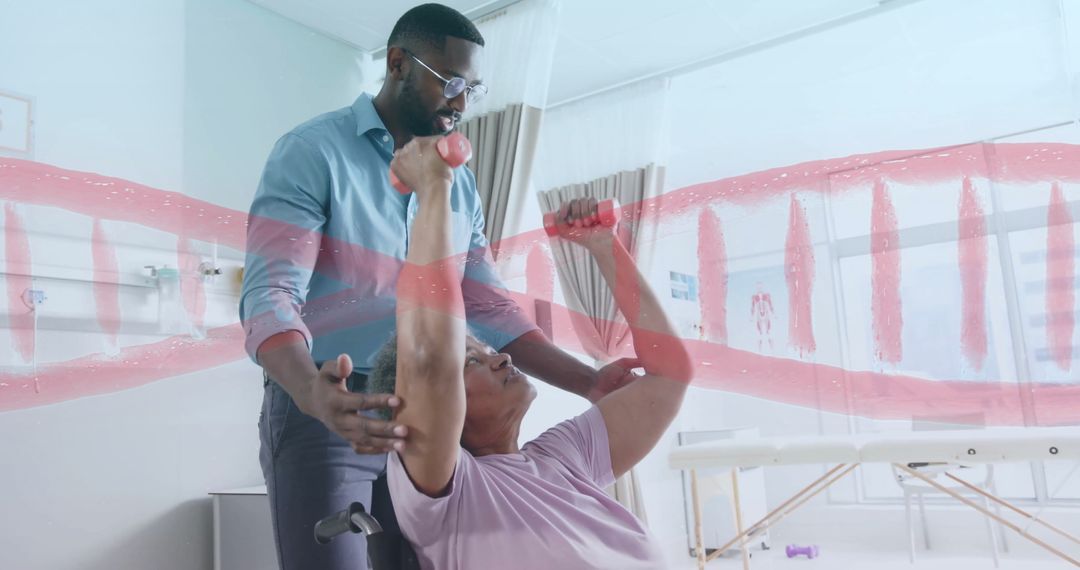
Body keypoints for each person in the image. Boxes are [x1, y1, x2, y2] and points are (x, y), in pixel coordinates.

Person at [239, 4, 635, 569]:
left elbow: (488, 306)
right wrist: (310, 392)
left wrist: (589, 380)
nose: (460, 103)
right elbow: (270, 297)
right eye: (450, 82)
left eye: (472, 89)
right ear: (397, 63)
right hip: (330, 407)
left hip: (433, 414)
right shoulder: (313, 152)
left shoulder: (461, 186)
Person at [370, 137, 696, 570]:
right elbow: (429, 356)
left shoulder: (564, 457)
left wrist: (603, 246)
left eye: (487, 350)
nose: (502, 358)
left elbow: (669, 375)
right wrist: (433, 190)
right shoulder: (446, 494)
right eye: (472, 361)